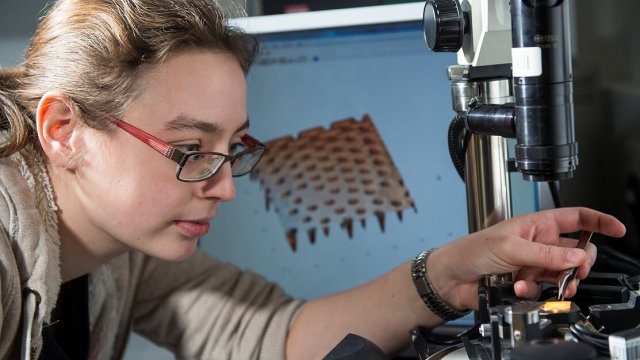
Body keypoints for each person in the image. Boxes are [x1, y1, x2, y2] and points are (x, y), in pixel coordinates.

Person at [0, 0, 627, 359]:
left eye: (231, 147)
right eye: (189, 148)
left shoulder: (120, 250)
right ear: (62, 129)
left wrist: (449, 272)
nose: (225, 187)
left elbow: (276, 339)